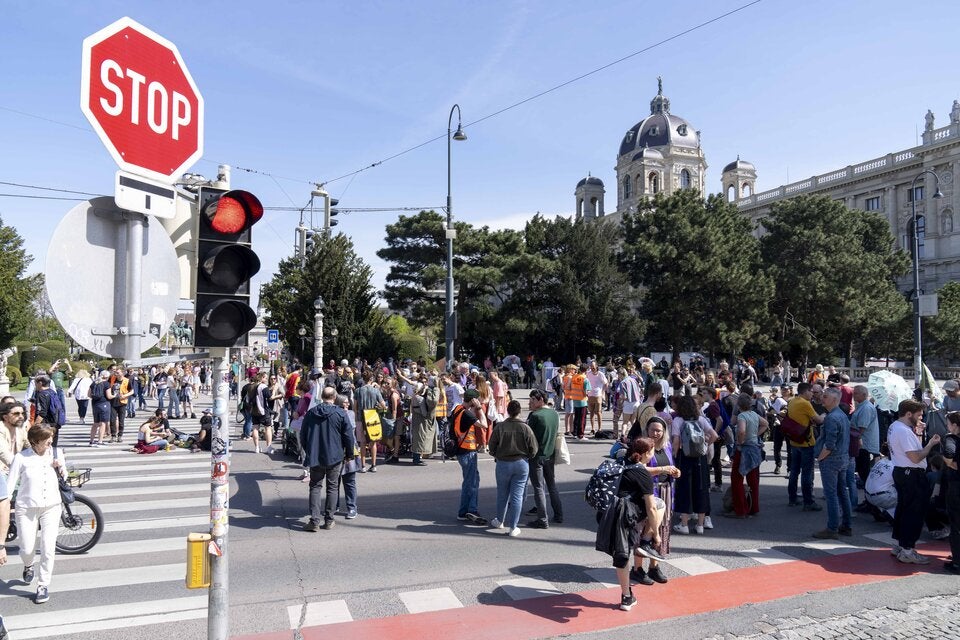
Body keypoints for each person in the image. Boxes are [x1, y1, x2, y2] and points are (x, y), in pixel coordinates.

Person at [8, 424, 66, 603]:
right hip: (26, 508)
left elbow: (64, 478)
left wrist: (60, 469)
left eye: (51, 438)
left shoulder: (56, 453)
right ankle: (28, 565)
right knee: (26, 548)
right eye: (46, 439)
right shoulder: (21, 458)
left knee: (48, 548)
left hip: (52, 506)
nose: (50, 442)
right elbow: (10, 485)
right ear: (35, 441)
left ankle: (43, 585)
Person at [612, 437, 665, 611]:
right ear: (643, 454)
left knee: (620, 555)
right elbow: (650, 508)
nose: (652, 455)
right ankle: (645, 542)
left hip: (608, 513)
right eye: (651, 452)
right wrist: (656, 534)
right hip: (627, 515)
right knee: (659, 504)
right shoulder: (642, 474)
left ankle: (627, 596)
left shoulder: (622, 461)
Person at [887, 399, 940, 563]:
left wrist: (917, 433)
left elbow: (911, 451)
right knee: (914, 512)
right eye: (919, 415)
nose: (921, 418)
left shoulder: (895, 426)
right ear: (908, 414)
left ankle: (899, 544)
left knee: (903, 509)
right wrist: (930, 444)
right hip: (911, 473)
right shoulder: (902, 430)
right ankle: (908, 549)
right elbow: (915, 457)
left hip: (902, 471)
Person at [300, 386, 356, 531]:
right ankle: (329, 520)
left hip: (316, 455)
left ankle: (314, 521)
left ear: (321, 396)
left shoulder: (311, 413)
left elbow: (303, 435)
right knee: (332, 487)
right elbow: (348, 436)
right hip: (335, 455)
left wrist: (309, 450)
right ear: (335, 397)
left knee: (315, 487)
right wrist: (349, 454)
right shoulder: (340, 413)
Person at [633, 417, 680, 585]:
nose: (656, 433)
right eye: (653, 430)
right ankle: (637, 568)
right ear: (647, 430)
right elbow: (640, 469)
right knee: (647, 528)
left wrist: (674, 472)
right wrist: (662, 469)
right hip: (649, 492)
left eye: (659, 430)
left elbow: (670, 466)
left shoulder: (666, 446)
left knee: (662, 528)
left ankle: (654, 566)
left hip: (666, 489)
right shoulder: (643, 445)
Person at [488, 400, 539, 537]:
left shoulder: (500, 427)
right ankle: (513, 527)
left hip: (503, 463)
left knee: (502, 493)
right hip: (521, 463)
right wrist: (527, 456)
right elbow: (533, 449)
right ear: (519, 411)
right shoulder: (525, 428)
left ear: (508, 411)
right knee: (517, 495)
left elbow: (491, 446)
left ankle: (499, 520)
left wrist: (496, 454)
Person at [671, 394, 717, 534]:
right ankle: (700, 525)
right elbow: (714, 435)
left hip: (684, 458)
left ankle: (684, 524)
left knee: (685, 488)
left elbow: (676, 443)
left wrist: (674, 456)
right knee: (701, 488)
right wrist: (704, 446)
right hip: (700, 458)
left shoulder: (678, 420)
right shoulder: (701, 419)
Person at [812, 387, 853, 539]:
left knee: (832, 495)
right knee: (842, 492)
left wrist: (820, 457)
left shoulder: (832, 417)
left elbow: (830, 444)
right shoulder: (841, 415)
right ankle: (846, 526)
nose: (823, 398)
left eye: (826, 397)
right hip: (842, 458)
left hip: (832, 459)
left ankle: (832, 528)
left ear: (835, 400)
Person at [451, 389, 489, 525]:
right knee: (472, 482)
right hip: (467, 451)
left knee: (469, 481)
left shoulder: (458, 409)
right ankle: (471, 510)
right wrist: (479, 408)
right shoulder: (467, 413)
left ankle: (464, 511)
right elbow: (484, 424)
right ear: (473, 401)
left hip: (461, 451)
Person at [526, 389, 563, 527]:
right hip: (550, 455)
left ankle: (542, 519)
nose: (530, 403)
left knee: (538, 488)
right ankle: (559, 515)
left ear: (541, 400)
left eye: (533, 400)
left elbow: (528, 436)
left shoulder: (535, 416)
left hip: (537, 456)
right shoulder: (554, 414)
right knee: (552, 486)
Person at [786, 382, 825, 511]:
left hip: (794, 440)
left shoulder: (792, 401)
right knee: (807, 473)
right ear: (805, 391)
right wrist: (824, 416)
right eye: (811, 392)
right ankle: (808, 502)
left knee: (794, 471)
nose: (812, 394)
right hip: (806, 442)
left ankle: (792, 498)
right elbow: (818, 420)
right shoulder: (805, 403)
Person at [728, 393, 767, 518]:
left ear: (739, 405)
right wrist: (756, 434)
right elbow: (765, 424)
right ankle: (754, 507)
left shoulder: (741, 416)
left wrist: (741, 440)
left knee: (737, 479)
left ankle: (741, 509)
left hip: (743, 449)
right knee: (753, 479)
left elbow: (741, 430)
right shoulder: (754, 414)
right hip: (754, 448)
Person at [939, 412, 960, 573]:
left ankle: (957, 562)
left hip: (957, 486)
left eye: (948, 423)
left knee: (957, 524)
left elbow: (948, 454)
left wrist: (951, 464)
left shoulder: (951, 438)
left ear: (954, 425)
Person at [0, 402, 27, 474]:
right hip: (3, 471)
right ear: (5, 417)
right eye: (16, 414)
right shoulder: (1, 429)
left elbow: (32, 447)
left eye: (22, 413)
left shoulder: (20, 430)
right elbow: (3, 453)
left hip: (13, 469)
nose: (21, 416)